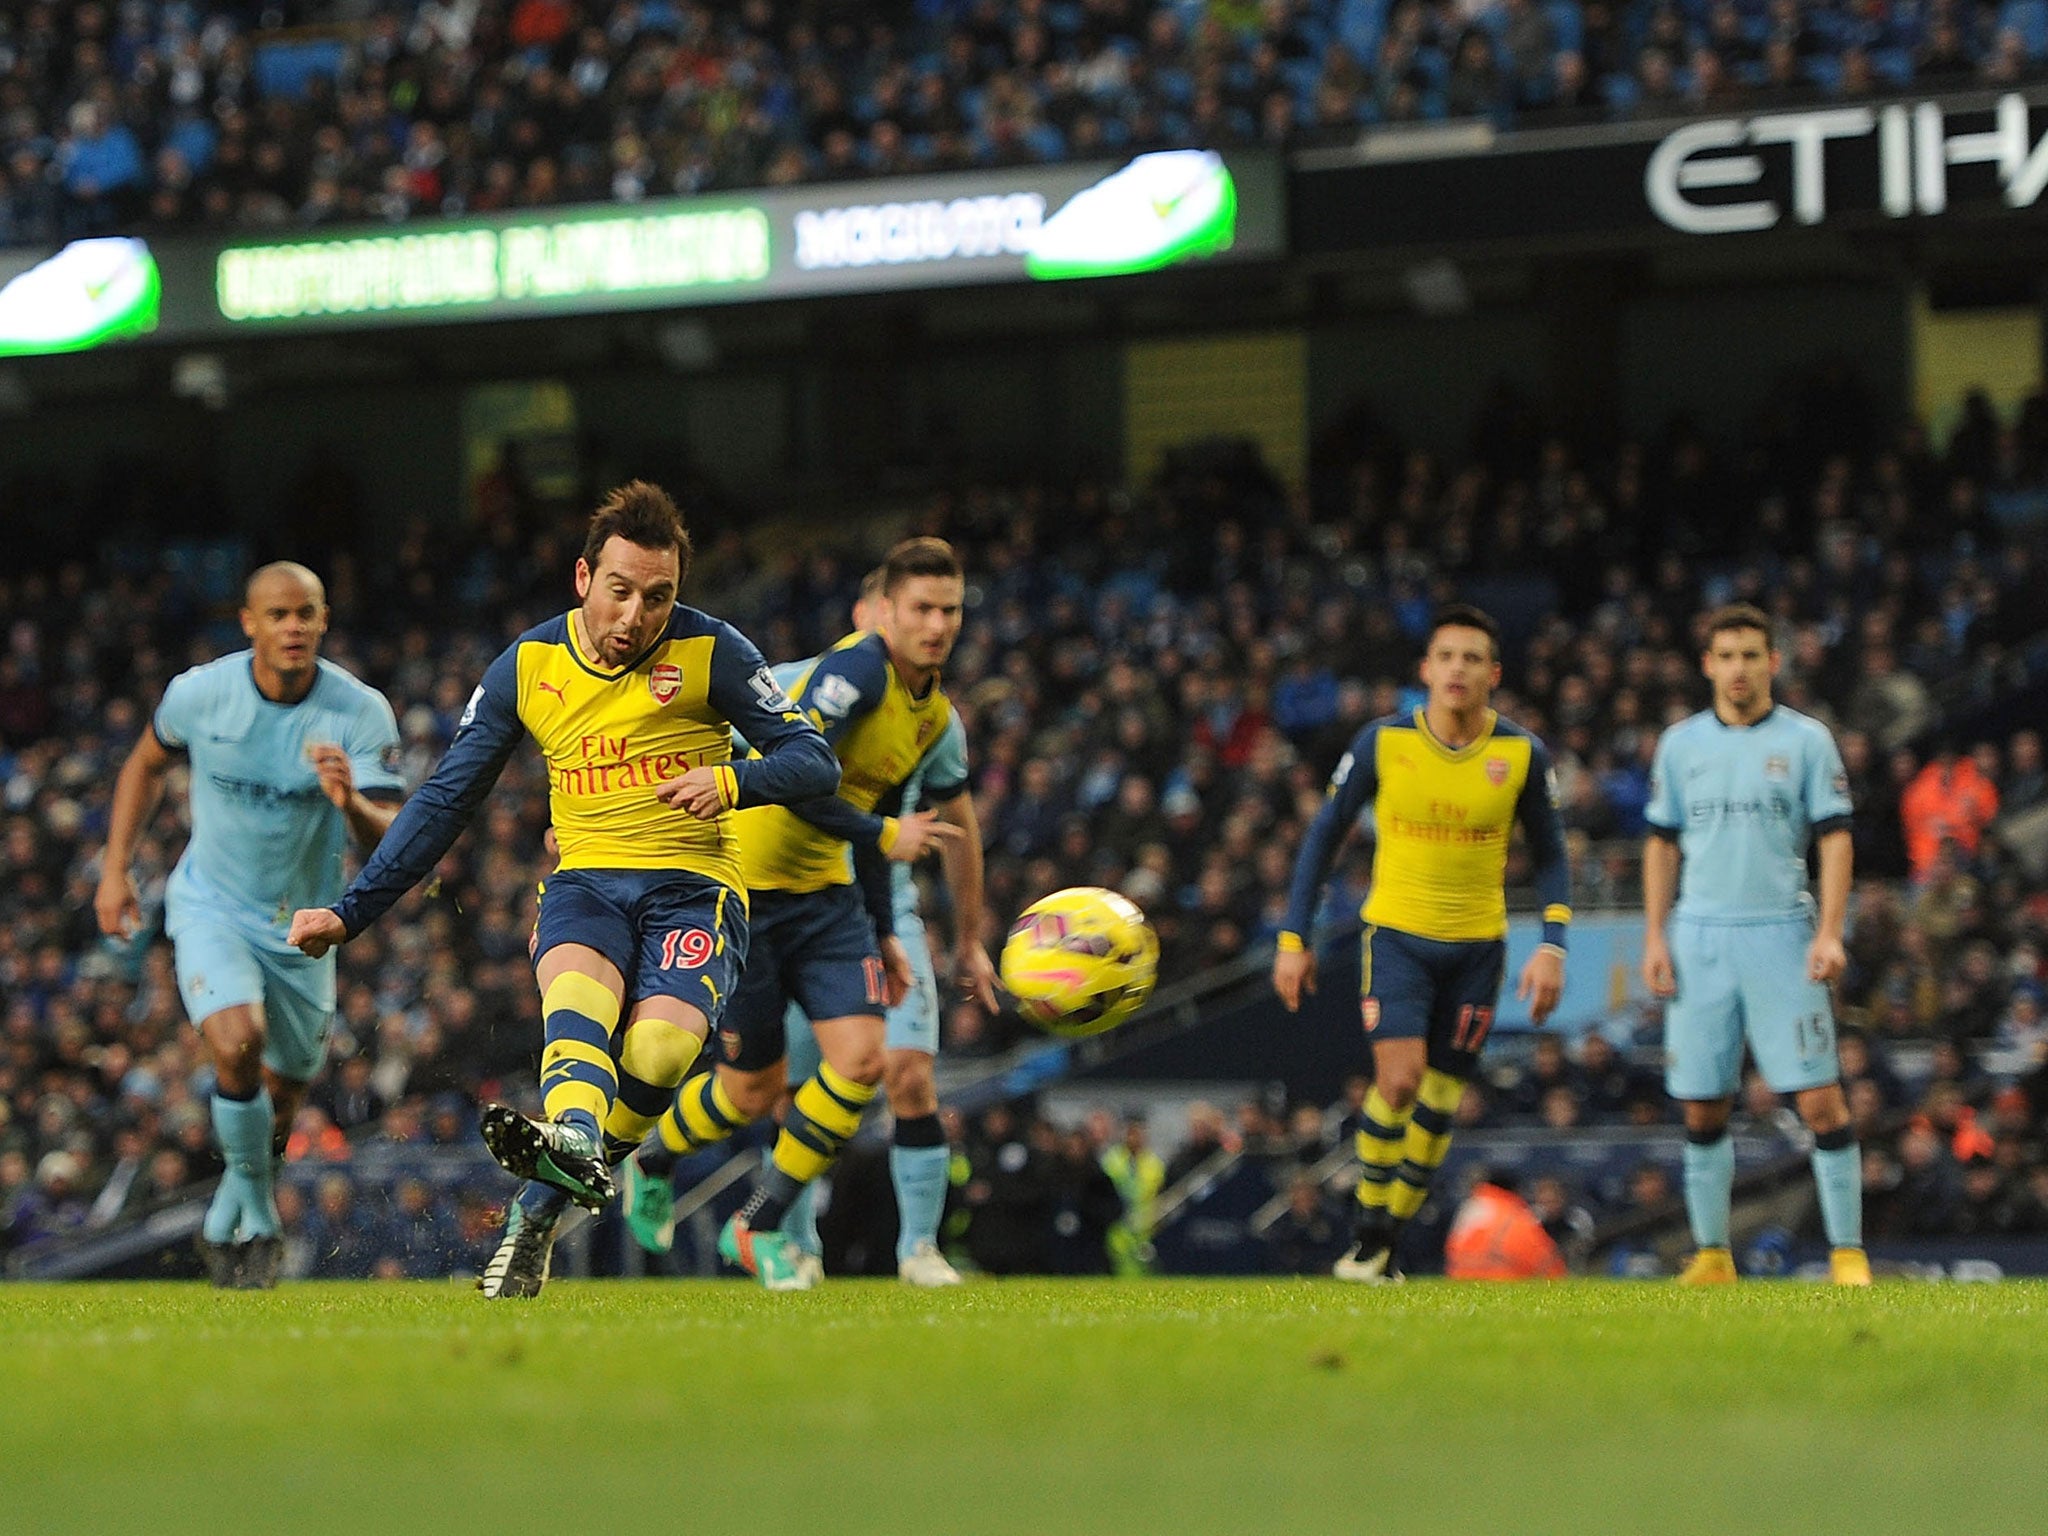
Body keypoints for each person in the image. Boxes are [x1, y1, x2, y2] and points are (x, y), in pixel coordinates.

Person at [286, 482, 838, 1298]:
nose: (636, 617)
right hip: (585, 887)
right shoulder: (529, 665)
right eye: (620, 592)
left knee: (659, 1052)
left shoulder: (714, 652)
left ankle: (541, 1201)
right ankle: (574, 1138)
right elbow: (444, 800)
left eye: (659, 598)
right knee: (579, 1015)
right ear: (584, 579)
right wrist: (349, 910)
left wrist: (731, 780)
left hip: (694, 889)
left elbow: (814, 760)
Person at [623, 563, 998, 1287]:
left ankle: (759, 1223)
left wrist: (886, 925)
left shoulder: (930, 715)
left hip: (830, 899)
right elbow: (798, 773)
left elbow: (873, 818)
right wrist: (886, 836)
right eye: (922, 608)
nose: (938, 625)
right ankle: (655, 1156)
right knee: (750, 1092)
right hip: (749, 896)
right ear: (885, 611)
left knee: (865, 1060)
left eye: (950, 610)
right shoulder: (854, 674)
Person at [97, 562, 403, 1288]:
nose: (292, 626)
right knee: (237, 1044)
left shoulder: (359, 713)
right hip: (210, 904)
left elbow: (391, 836)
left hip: (303, 923)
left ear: (324, 620)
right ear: (249, 623)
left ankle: (226, 1216)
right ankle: (261, 1218)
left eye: (306, 613)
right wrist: (116, 868)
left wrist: (350, 802)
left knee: (283, 1096)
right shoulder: (200, 695)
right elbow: (143, 765)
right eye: (277, 614)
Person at [1273, 604, 1570, 1282]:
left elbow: (1551, 854)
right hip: (1399, 937)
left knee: (1440, 1104)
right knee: (1399, 1083)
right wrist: (1296, 936)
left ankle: (1382, 1248)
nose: (1458, 669)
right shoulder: (1384, 743)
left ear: (1493, 674)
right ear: (1426, 670)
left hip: (1478, 948)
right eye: (1447, 657)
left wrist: (1552, 943)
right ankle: (1369, 1229)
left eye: (1473, 659)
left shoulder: (1520, 753)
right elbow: (1324, 835)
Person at [1641, 603, 1870, 1286]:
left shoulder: (1806, 741)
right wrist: (1654, 936)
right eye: (1726, 656)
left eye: (1751, 655)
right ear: (1707, 664)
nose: (1738, 669)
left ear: (1773, 662)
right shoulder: (1680, 745)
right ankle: (1713, 1255)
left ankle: (1847, 1255)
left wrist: (1829, 932)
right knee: (1703, 1103)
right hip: (1700, 936)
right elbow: (1661, 842)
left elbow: (1835, 838)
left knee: (1821, 1100)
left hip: (1780, 933)